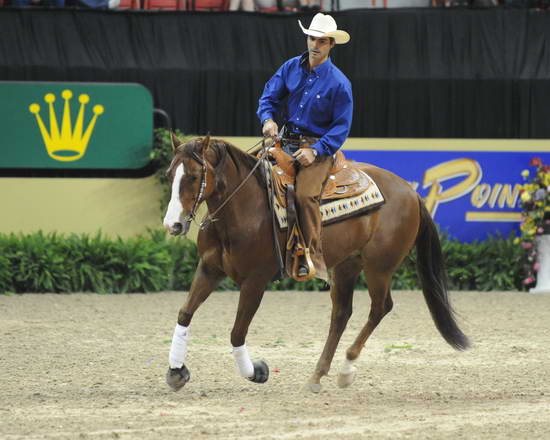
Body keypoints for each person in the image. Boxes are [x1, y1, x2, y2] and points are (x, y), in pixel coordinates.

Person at [257, 12, 353, 282]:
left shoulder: (340, 83)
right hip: (285, 140)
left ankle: (313, 257)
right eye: (312, 38)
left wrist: (316, 150)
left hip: (316, 148)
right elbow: (269, 96)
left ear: (331, 44)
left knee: (304, 196)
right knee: (248, 176)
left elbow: (341, 127)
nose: (315, 45)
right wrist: (268, 120)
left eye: (322, 41)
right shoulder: (290, 67)